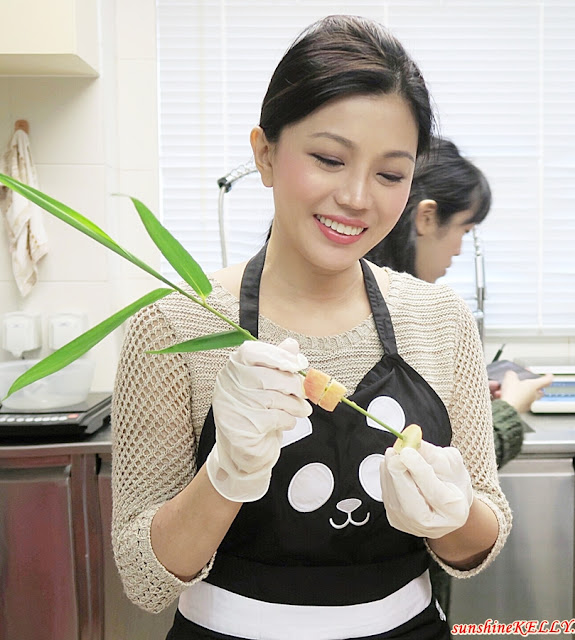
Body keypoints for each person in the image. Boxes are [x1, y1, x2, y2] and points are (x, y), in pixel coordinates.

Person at [111, 16, 512, 640]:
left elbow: (478, 540)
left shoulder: (440, 319)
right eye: (329, 158)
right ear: (265, 154)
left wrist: (453, 517)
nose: (357, 197)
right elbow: (145, 579)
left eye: (390, 174)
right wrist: (226, 473)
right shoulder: (173, 327)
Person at [366, 136, 552, 614]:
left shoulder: (429, 319)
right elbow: (430, 475)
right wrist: (508, 412)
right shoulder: (398, 318)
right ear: (426, 217)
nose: (459, 250)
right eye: (464, 230)